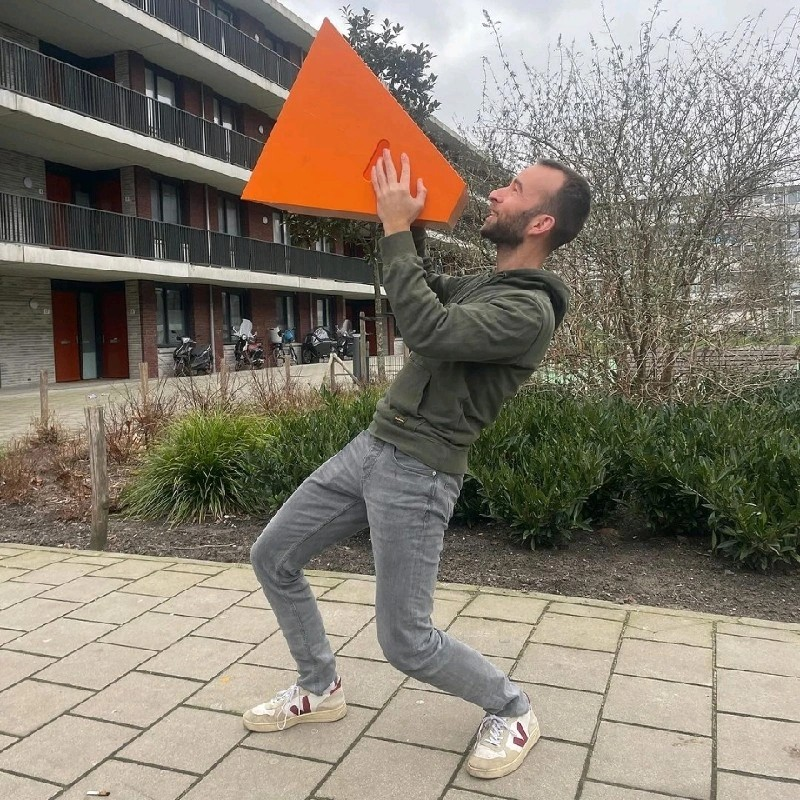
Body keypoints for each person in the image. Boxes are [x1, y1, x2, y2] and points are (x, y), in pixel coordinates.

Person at [245, 149, 591, 779]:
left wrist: (398, 227)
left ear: (541, 223)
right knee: (273, 556)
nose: (496, 193)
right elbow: (424, 291)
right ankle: (319, 686)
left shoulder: (526, 311)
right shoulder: (490, 286)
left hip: (419, 471)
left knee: (406, 640)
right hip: (373, 446)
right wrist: (409, 223)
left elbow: (428, 330)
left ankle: (511, 709)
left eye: (515, 189)